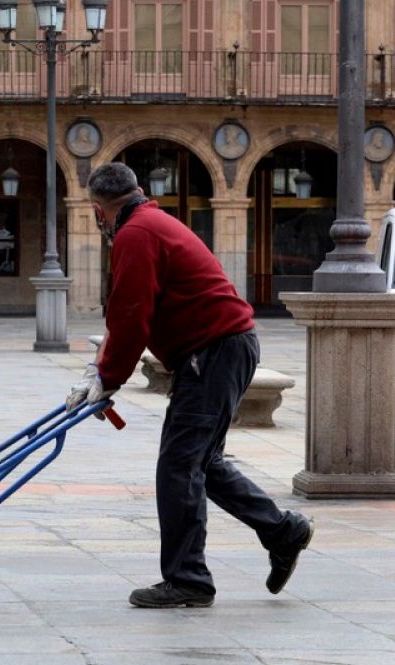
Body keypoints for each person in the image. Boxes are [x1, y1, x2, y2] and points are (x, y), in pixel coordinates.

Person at [68, 161, 313, 608]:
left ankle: (189, 580)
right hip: (223, 347)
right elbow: (133, 316)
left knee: (179, 466)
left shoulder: (135, 234)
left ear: (98, 210)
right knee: (203, 463)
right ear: (139, 189)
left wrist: (106, 378)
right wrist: (102, 370)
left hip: (214, 351)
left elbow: (130, 316)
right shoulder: (150, 222)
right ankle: (283, 531)